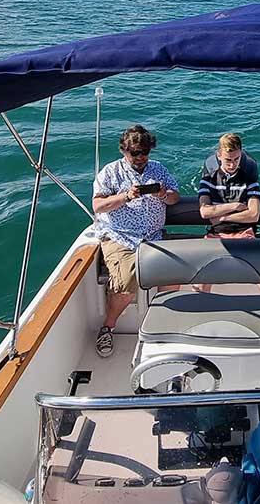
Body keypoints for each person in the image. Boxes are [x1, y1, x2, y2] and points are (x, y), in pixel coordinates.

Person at [92, 125, 180, 357]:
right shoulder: (110, 173)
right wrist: (125, 196)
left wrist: (162, 194)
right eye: (135, 153)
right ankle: (108, 326)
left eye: (144, 152)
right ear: (124, 150)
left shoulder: (158, 169)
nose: (140, 158)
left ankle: (162, 326)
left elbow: (175, 197)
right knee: (126, 284)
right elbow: (98, 205)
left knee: (173, 276)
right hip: (121, 235)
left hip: (154, 236)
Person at [197, 133, 260, 295]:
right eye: (228, 160)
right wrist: (235, 206)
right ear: (219, 156)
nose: (232, 165)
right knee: (200, 282)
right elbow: (205, 211)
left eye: (236, 159)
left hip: (244, 234)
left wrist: (222, 217)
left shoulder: (249, 180)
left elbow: (253, 214)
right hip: (216, 235)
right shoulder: (208, 180)